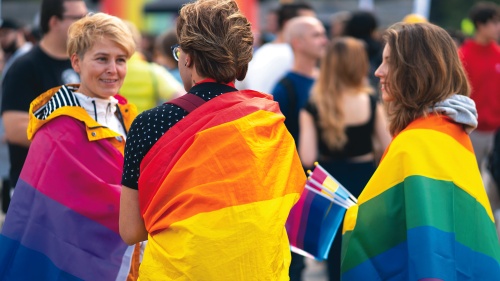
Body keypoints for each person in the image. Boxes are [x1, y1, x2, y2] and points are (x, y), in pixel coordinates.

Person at [119, 0, 306, 280]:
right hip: (259, 271)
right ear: (240, 64)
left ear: (188, 58)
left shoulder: (149, 123)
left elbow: (131, 230)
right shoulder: (268, 123)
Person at [341, 22, 500, 280]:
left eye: (389, 62)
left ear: (417, 70)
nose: (379, 72)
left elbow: (420, 238)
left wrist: (348, 214)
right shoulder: (448, 128)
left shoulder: (417, 141)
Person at [0, 12, 139, 280]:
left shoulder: (126, 113)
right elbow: (49, 212)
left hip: (122, 253)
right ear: (76, 61)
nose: (113, 69)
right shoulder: (58, 126)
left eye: (120, 60)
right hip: (66, 257)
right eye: (102, 59)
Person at [298, 37, 391, 281]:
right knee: (363, 249)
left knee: (334, 252)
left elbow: (307, 156)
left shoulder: (313, 105)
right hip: (365, 180)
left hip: (329, 186)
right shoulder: (371, 102)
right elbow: (388, 148)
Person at [1, 0, 87, 213]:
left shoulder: (83, 62)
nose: (86, 24)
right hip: (35, 192)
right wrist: (79, 137)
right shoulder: (25, 67)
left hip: (75, 191)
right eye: (78, 18)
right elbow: (15, 130)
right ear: (54, 21)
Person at [271, 16, 327, 281]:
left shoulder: (327, 81)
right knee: (296, 259)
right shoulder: (285, 87)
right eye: (316, 35)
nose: (324, 39)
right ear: (297, 42)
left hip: (328, 181)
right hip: (298, 183)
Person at [458, 2, 500, 222]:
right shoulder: (463, 55)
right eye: (494, 22)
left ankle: (489, 222)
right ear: (480, 25)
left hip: (496, 131)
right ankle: (470, 221)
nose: (498, 27)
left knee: (493, 183)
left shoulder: (498, 54)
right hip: (471, 130)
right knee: (469, 181)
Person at [236, 2, 315, 93]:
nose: (315, 26)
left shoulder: (263, 51)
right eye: (307, 24)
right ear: (288, 24)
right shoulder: (290, 54)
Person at [0, 19, 33, 212]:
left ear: (19, 32)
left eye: (6, 34)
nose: (2, 39)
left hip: (25, 147)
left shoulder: (26, 61)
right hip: (13, 146)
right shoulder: (14, 58)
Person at [119, 21, 183, 113]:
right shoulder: (153, 71)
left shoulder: (108, 70)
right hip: (145, 125)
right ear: (138, 43)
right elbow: (181, 97)